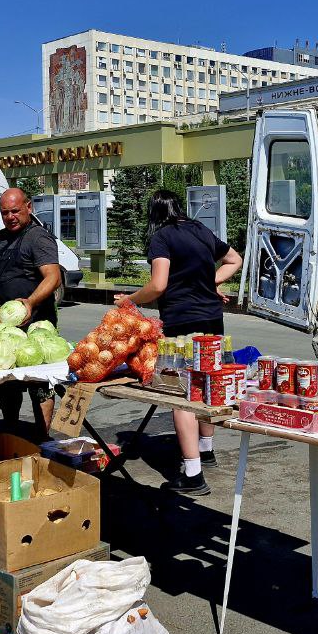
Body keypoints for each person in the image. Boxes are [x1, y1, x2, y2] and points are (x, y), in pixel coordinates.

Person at [116, 189, 242, 496]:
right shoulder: (200, 230)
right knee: (208, 382)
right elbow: (234, 259)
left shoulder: (162, 237)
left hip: (182, 320)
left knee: (181, 393)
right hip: (212, 319)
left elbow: (158, 285)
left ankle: (193, 474)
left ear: (154, 213)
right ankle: (207, 449)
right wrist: (209, 283)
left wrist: (129, 300)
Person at [0, 189, 61, 439]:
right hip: (5, 326)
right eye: (5, 212)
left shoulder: (38, 238)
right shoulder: (0, 237)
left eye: (15, 211)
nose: (10, 217)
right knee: (7, 382)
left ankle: (42, 437)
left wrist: (30, 302)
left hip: (36, 323)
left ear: (29, 207)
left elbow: (53, 277)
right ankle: (12, 433)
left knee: (39, 384)